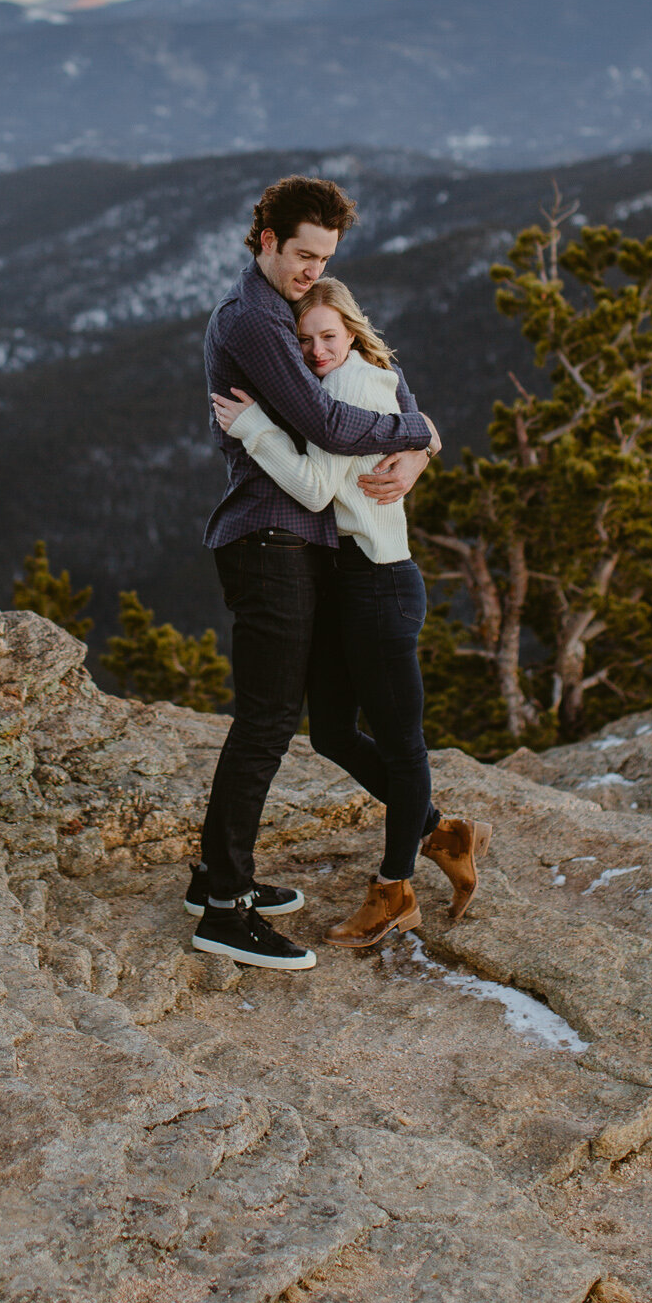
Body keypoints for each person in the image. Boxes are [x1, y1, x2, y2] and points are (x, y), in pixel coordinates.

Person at [190, 174, 437, 973]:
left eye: (323, 258)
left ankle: (215, 882)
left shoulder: (279, 312)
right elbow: (329, 426)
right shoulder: (257, 321)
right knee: (266, 724)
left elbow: (344, 404)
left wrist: (422, 447)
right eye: (301, 254)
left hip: (292, 544)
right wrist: (419, 428)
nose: (310, 271)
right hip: (268, 539)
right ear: (265, 240)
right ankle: (223, 908)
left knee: (277, 721)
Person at [212, 275, 492, 950]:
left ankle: (395, 891)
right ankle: (440, 830)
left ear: (353, 330)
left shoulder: (351, 385)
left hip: (378, 586)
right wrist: (424, 438)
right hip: (345, 586)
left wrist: (250, 426)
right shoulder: (343, 381)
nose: (313, 351)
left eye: (327, 336)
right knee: (333, 731)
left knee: (400, 742)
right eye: (303, 340)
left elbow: (312, 488)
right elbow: (410, 423)